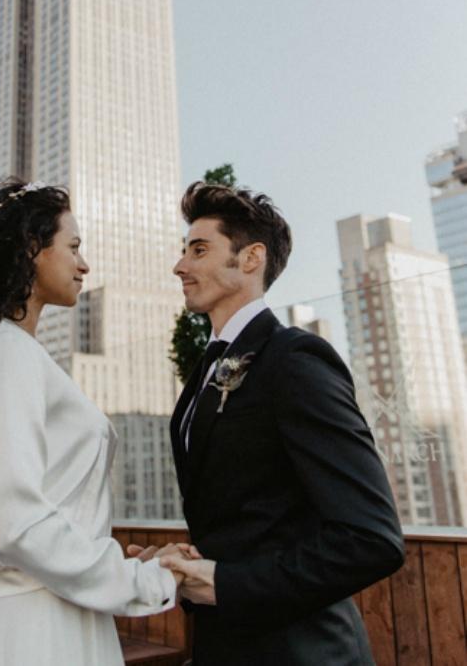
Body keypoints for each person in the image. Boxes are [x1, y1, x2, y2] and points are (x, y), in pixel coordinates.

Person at [0, 180, 180, 666]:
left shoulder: (1, 351)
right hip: (30, 627)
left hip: (38, 607)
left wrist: (117, 561)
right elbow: (20, 525)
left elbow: (51, 508)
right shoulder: (4, 352)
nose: (84, 264)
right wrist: (140, 581)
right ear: (31, 249)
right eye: (74, 247)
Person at [157, 181, 405, 665]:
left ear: (250, 259)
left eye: (199, 250)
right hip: (225, 646)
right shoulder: (203, 373)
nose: (180, 266)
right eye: (184, 251)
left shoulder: (294, 359)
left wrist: (227, 583)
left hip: (302, 651)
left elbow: (372, 539)